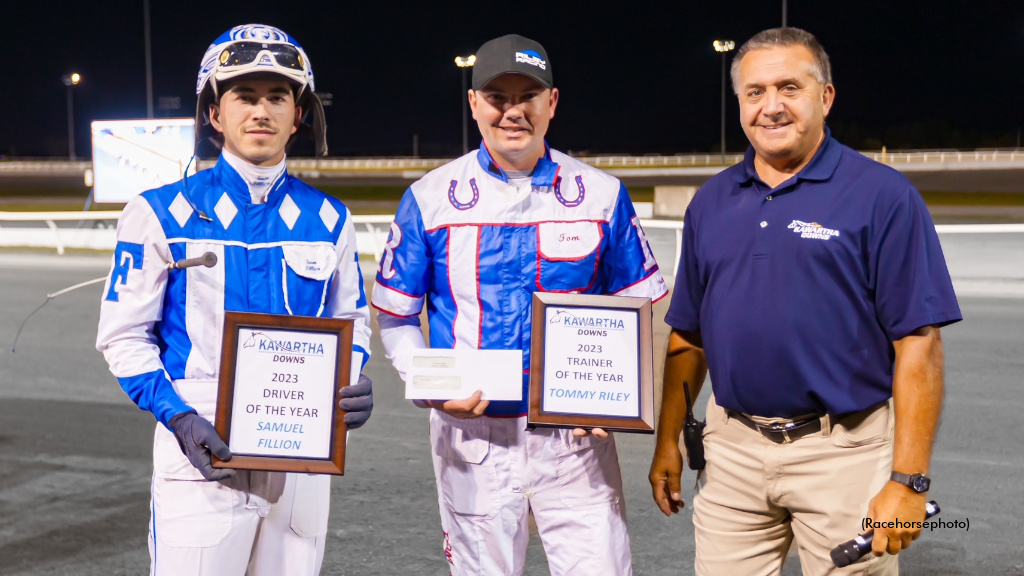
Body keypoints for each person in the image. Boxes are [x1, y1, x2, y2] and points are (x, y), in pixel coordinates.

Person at [648, 27, 962, 576]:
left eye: (789, 87)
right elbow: (689, 335)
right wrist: (668, 439)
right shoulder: (710, 203)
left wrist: (908, 482)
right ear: (740, 103)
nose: (771, 107)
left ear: (826, 96)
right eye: (755, 92)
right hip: (732, 452)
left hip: (843, 452)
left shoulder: (883, 197)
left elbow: (919, 344)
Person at [371, 34, 667, 576]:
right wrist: (434, 383)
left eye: (527, 95)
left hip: (576, 443)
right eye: (497, 96)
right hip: (472, 438)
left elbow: (640, 313)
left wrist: (620, 398)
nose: (513, 111)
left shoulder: (601, 194)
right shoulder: (430, 197)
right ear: (474, 105)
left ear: (551, 103)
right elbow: (395, 318)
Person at [96, 24, 373, 575]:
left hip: (302, 454)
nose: (261, 111)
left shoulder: (329, 218)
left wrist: (354, 374)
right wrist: (177, 418)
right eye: (244, 97)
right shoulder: (157, 212)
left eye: (277, 97)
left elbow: (351, 321)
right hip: (198, 445)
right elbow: (123, 337)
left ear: (299, 115)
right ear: (214, 115)